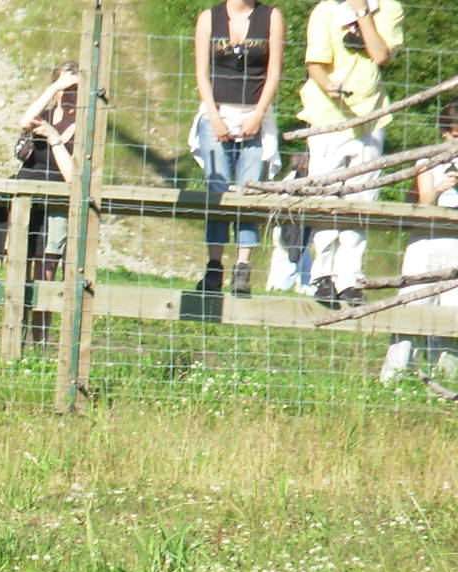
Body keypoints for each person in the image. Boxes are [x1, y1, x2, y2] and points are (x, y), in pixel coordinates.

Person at [297, 0, 403, 306]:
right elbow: (315, 62)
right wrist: (328, 85)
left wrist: (362, 13)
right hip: (327, 117)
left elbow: (381, 55)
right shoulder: (325, 10)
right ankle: (323, 275)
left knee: (363, 199)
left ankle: (350, 278)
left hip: (370, 119)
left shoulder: (389, 9)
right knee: (326, 196)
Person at [191, 0, 284, 297]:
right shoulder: (209, 18)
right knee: (216, 189)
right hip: (217, 113)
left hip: (255, 114)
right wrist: (214, 116)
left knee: (250, 191)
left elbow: (273, 72)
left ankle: (243, 267)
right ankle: (214, 266)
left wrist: (257, 115)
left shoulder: (271, 17)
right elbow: (202, 73)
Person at [380, 100, 458, 383]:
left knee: (452, 312)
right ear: (444, 133)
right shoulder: (428, 160)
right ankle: (398, 374)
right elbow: (423, 202)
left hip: (456, 245)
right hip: (426, 243)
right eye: (454, 134)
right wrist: (439, 188)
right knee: (413, 307)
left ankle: (447, 378)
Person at [14, 62, 79, 345]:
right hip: (26, 203)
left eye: (76, 88)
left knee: (46, 274)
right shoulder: (46, 115)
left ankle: (39, 343)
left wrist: (53, 138)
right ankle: (15, 339)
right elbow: (25, 122)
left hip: (56, 206)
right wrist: (54, 87)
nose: (71, 94)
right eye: (67, 88)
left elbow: (73, 176)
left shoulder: (87, 127)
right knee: (17, 268)